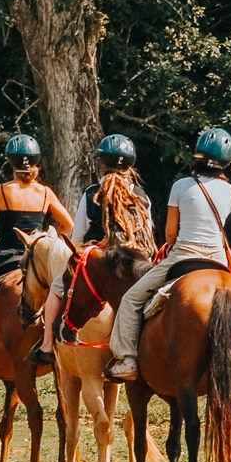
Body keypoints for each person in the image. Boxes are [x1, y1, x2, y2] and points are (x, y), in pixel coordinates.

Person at [106, 128, 231, 383]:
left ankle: (127, 360)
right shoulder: (229, 191)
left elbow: (169, 235)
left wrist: (173, 244)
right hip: (218, 260)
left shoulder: (181, 185)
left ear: (197, 155)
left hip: (184, 256)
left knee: (131, 299)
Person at [29, 134, 155, 366]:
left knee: (57, 289)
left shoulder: (91, 194)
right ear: (130, 164)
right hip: (135, 263)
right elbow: (147, 234)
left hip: (97, 264)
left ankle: (47, 345)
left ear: (102, 164)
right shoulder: (141, 196)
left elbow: (77, 238)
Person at [0, 135, 73, 369]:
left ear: (10, 162)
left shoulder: (1, 190)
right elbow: (67, 224)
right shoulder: (45, 192)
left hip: (4, 254)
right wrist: (48, 239)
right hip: (38, 258)